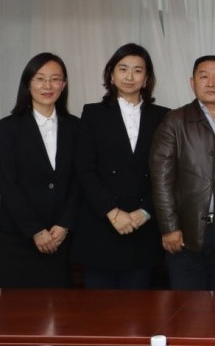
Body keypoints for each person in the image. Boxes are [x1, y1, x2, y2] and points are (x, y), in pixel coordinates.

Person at [150, 55, 215, 290]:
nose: (211, 83)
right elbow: (161, 180)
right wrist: (169, 228)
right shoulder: (174, 121)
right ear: (192, 82)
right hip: (184, 233)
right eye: (203, 76)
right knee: (188, 307)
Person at [72, 43, 169, 289]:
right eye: (123, 69)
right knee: (99, 307)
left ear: (146, 79)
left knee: (137, 307)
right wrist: (112, 212)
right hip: (102, 224)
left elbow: (168, 173)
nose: (129, 76)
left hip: (142, 225)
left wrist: (145, 211)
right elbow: (84, 169)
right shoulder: (93, 114)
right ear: (111, 76)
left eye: (137, 70)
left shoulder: (164, 117)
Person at [0, 52, 80, 288]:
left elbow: (78, 181)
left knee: (60, 308)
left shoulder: (76, 127)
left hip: (60, 240)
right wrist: (36, 231)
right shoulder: (9, 127)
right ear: (28, 83)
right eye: (40, 79)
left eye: (55, 79)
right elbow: (8, 184)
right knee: (15, 310)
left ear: (64, 84)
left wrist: (64, 225)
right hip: (18, 239)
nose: (47, 86)